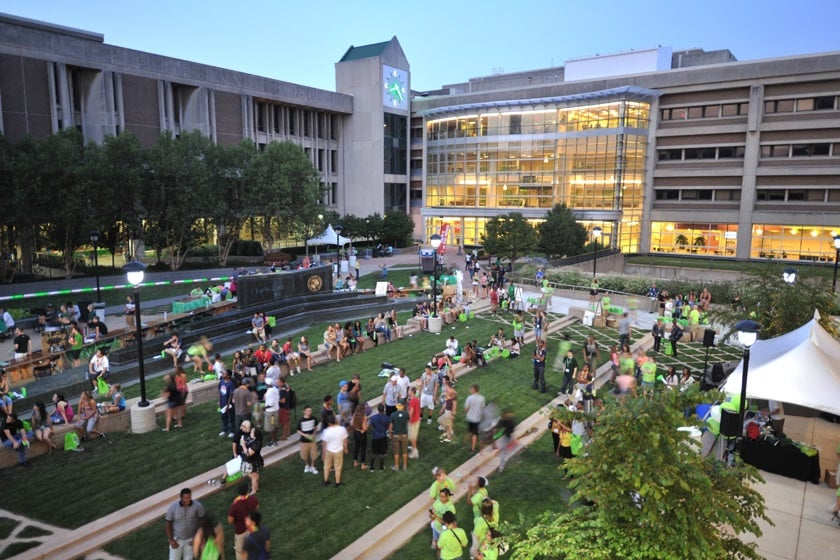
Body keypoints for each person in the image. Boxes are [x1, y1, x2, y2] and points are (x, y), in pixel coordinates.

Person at [164, 488, 205, 560]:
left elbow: (202, 522)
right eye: (185, 498)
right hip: (177, 540)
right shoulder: (173, 508)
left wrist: (198, 537)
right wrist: (171, 540)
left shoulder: (197, 506)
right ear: (181, 498)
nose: (188, 500)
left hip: (191, 539)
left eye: (189, 497)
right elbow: (168, 523)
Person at [228, 482, 258, 560]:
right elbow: (257, 507)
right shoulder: (253, 499)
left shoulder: (236, 504)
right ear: (247, 491)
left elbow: (230, 520)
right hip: (252, 528)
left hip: (240, 531)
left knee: (240, 551)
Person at [321, 414, 348, 487]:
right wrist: (345, 449)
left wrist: (323, 454)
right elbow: (345, 441)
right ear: (336, 420)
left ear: (328, 422)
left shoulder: (326, 431)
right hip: (338, 451)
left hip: (328, 451)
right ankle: (337, 483)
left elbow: (324, 444)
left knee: (326, 467)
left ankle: (325, 481)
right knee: (338, 467)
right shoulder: (342, 429)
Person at [241, 424, 264, 494]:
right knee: (251, 475)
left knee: (253, 476)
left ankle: (254, 491)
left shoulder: (256, 444)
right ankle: (255, 487)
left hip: (253, 461)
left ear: (255, 435)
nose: (250, 432)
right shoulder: (252, 439)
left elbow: (248, 454)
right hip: (249, 460)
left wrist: (243, 445)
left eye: (252, 432)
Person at [296, 405, 319, 474]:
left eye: (310, 411)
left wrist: (314, 434)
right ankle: (306, 465)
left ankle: (312, 466)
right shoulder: (301, 421)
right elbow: (298, 430)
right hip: (304, 441)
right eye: (308, 411)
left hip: (312, 440)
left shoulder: (314, 418)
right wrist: (304, 435)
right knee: (304, 455)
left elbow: (315, 427)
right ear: (304, 411)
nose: (310, 412)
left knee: (314, 454)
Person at [369, 403, 391, 471]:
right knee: (382, 453)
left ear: (377, 409)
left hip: (375, 436)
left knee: (373, 452)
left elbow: (371, 426)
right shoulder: (387, 418)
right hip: (383, 436)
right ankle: (381, 467)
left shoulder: (373, 417)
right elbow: (388, 426)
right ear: (383, 410)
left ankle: (371, 467)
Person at [464, 384, 486, 453]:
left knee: (470, 431)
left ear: (474, 389)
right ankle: (473, 448)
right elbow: (482, 408)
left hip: (470, 418)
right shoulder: (482, 398)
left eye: (471, 389)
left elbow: (466, 408)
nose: (470, 390)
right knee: (475, 434)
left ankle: (466, 443)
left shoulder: (469, 398)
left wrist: (467, 413)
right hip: (477, 418)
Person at [350, 398, 369, 469]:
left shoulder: (355, 414)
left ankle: (355, 462)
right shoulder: (363, 417)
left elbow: (352, 423)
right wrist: (367, 425)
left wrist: (356, 428)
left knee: (357, 447)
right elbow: (364, 428)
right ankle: (363, 465)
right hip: (361, 434)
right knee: (363, 449)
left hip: (355, 432)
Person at [438, 377, 457, 443]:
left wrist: (453, 413)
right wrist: (442, 409)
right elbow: (446, 402)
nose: (445, 387)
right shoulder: (447, 392)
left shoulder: (453, 393)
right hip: (447, 410)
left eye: (446, 386)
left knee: (447, 423)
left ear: (448, 386)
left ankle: (450, 437)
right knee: (441, 421)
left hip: (450, 411)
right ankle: (450, 432)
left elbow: (454, 404)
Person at [407, 386, 421, 459]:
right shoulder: (416, 399)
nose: (408, 391)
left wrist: (408, 420)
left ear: (412, 392)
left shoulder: (412, 401)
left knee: (412, 437)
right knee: (413, 436)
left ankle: (415, 452)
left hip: (413, 421)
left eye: (409, 390)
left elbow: (411, 412)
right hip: (417, 419)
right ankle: (413, 447)